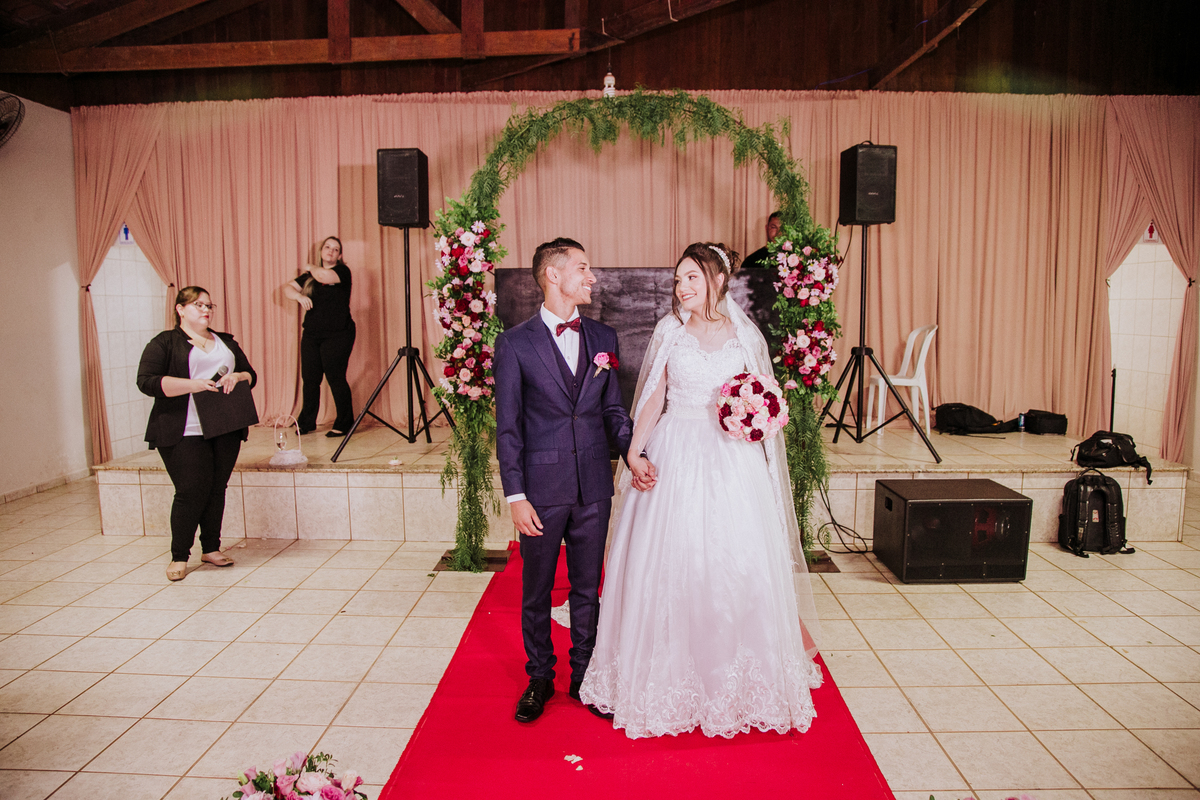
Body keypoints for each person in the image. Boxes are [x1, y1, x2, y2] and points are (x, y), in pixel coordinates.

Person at [579, 242, 823, 739]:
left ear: (716, 279)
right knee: (672, 560)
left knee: (735, 562)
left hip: (731, 459)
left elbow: (763, 400)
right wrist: (634, 453)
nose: (681, 287)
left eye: (691, 277)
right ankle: (667, 672)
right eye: (678, 279)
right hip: (675, 451)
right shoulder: (671, 331)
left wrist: (755, 417)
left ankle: (735, 677)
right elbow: (653, 400)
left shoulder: (744, 337)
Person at [494, 237, 642, 724]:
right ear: (553, 275)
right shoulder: (515, 343)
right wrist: (516, 495)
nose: (591, 276)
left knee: (587, 586)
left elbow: (613, 410)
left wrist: (633, 454)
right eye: (582, 267)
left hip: (594, 485)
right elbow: (509, 428)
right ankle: (540, 676)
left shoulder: (603, 337)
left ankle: (584, 676)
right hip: (540, 490)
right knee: (536, 590)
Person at [137, 287, 257, 582]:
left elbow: (250, 374)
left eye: (209, 306)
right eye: (198, 305)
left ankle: (211, 548)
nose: (206, 310)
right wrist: (194, 384)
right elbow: (146, 382)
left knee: (217, 488)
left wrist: (237, 376)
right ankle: (180, 555)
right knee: (191, 491)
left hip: (225, 426)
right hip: (183, 429)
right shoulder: (164, 342)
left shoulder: (226, 342)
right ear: (180, 309)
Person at [284, 236, 355, 437]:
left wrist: (310, 266)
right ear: (321, 251)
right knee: (310, 379)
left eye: (335, 249)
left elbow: (324, 276)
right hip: (312, 334)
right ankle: (307, 422)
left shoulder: (342, 271)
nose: (330, 251)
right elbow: (288, 288)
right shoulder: (309, 277)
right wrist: (299, 296)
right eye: (327, 247)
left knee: (335, 377)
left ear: (339, 255)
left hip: (338, 334)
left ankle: (344, 423)